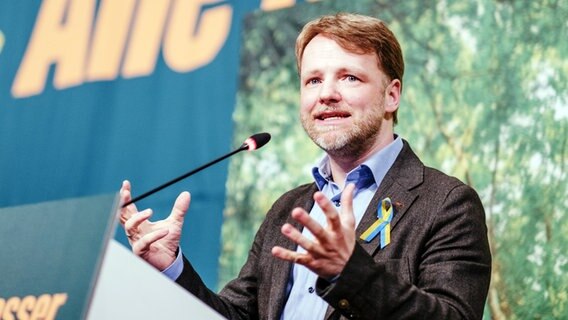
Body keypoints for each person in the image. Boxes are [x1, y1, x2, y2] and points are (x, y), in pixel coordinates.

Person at [119, 13, 491, 320]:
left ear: (391, 95)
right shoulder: (288, 209)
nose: (327, 94)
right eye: (313, 80)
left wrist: (350, 272)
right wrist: (172, 268)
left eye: (349, 77)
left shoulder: (446, 203)